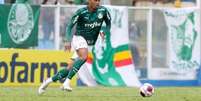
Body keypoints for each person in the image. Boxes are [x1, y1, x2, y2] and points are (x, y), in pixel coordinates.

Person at [38, 0, 111, 94]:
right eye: (95, 0)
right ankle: (66, 83)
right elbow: (69, 26)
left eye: (99, 0)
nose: (97, 2)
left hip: (89, 44)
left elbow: (108, 23)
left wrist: (104, 31)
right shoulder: (81, 12)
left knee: (68, 69)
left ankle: (48, 81)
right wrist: (67, 40)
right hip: (78, 38)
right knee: (84, 57)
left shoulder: (103, 11)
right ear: (89, 1)